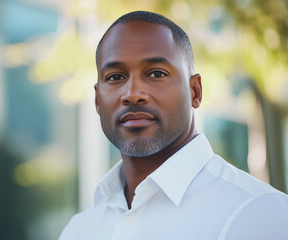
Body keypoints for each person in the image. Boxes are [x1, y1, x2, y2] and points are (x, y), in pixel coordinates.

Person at [59, 11, 288, 240]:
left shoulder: (259, 213)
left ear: (195, 91)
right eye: (115, 77)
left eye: (156, 73)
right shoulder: (79, 230)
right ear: (98, 100)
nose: (133, 94)